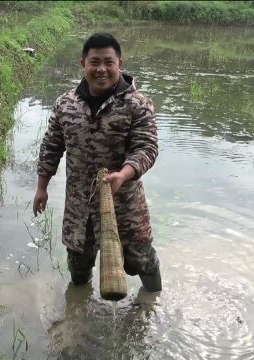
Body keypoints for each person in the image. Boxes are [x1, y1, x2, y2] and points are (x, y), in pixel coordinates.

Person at [34, 32, 161, 292]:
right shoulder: (66, 104)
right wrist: (41, 187)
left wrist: (123, 175)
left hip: (124, 203)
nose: (101, 69)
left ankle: (151, 305)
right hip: (79, 208)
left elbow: (146, 148)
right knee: (78, 267)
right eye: (94, 62)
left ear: (119, 64)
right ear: (83, 64)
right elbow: (51, 146)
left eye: (108, 62)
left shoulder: (137, 105)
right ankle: (79, 311)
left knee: (142, 260)